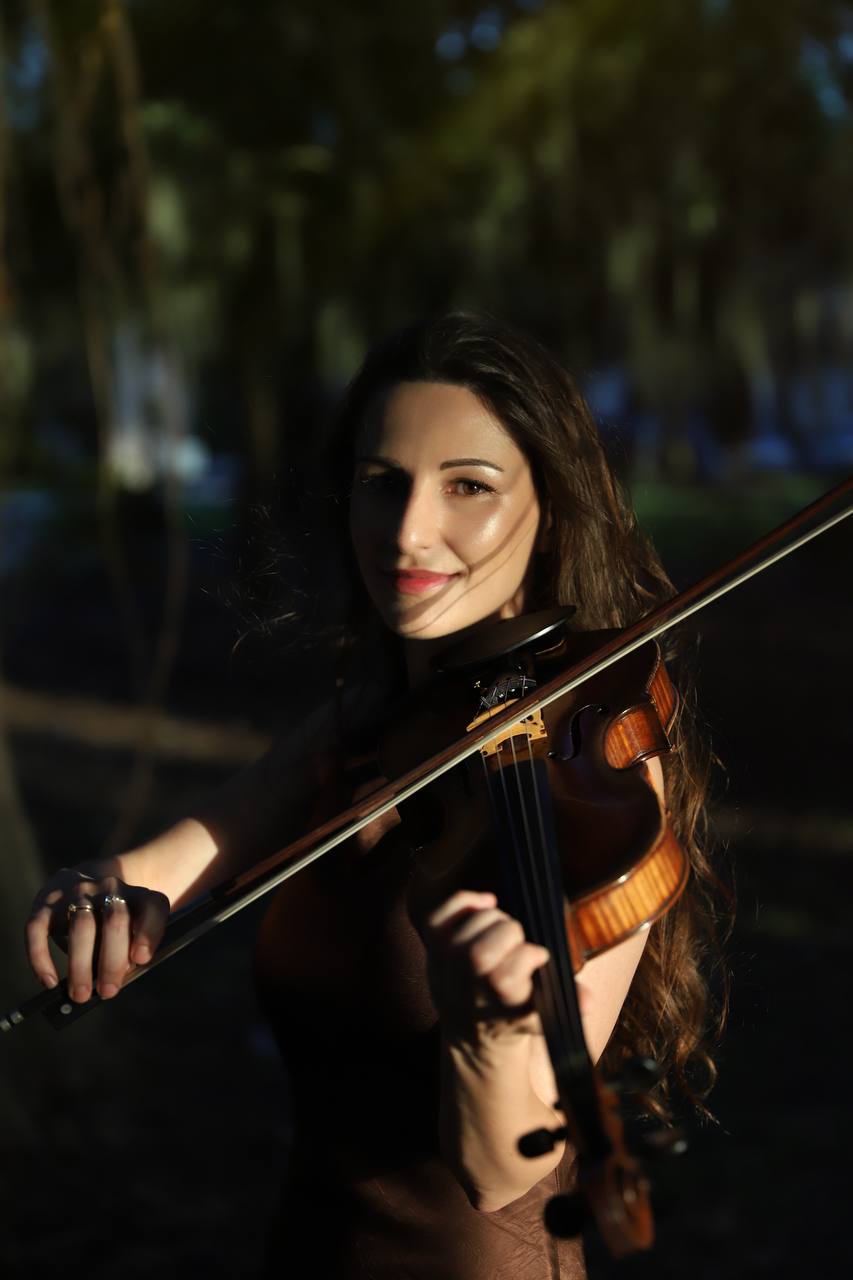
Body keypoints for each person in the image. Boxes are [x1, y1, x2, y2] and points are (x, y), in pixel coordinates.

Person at [24, 312, 726, 1279]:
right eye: (380, 484)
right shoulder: (365, 720)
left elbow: (496, 1170)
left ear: (552, 508)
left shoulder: (598, 773)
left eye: (468, 487)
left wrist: (486, 1034)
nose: (406, 531)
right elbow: (170, 863)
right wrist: (92, 892)